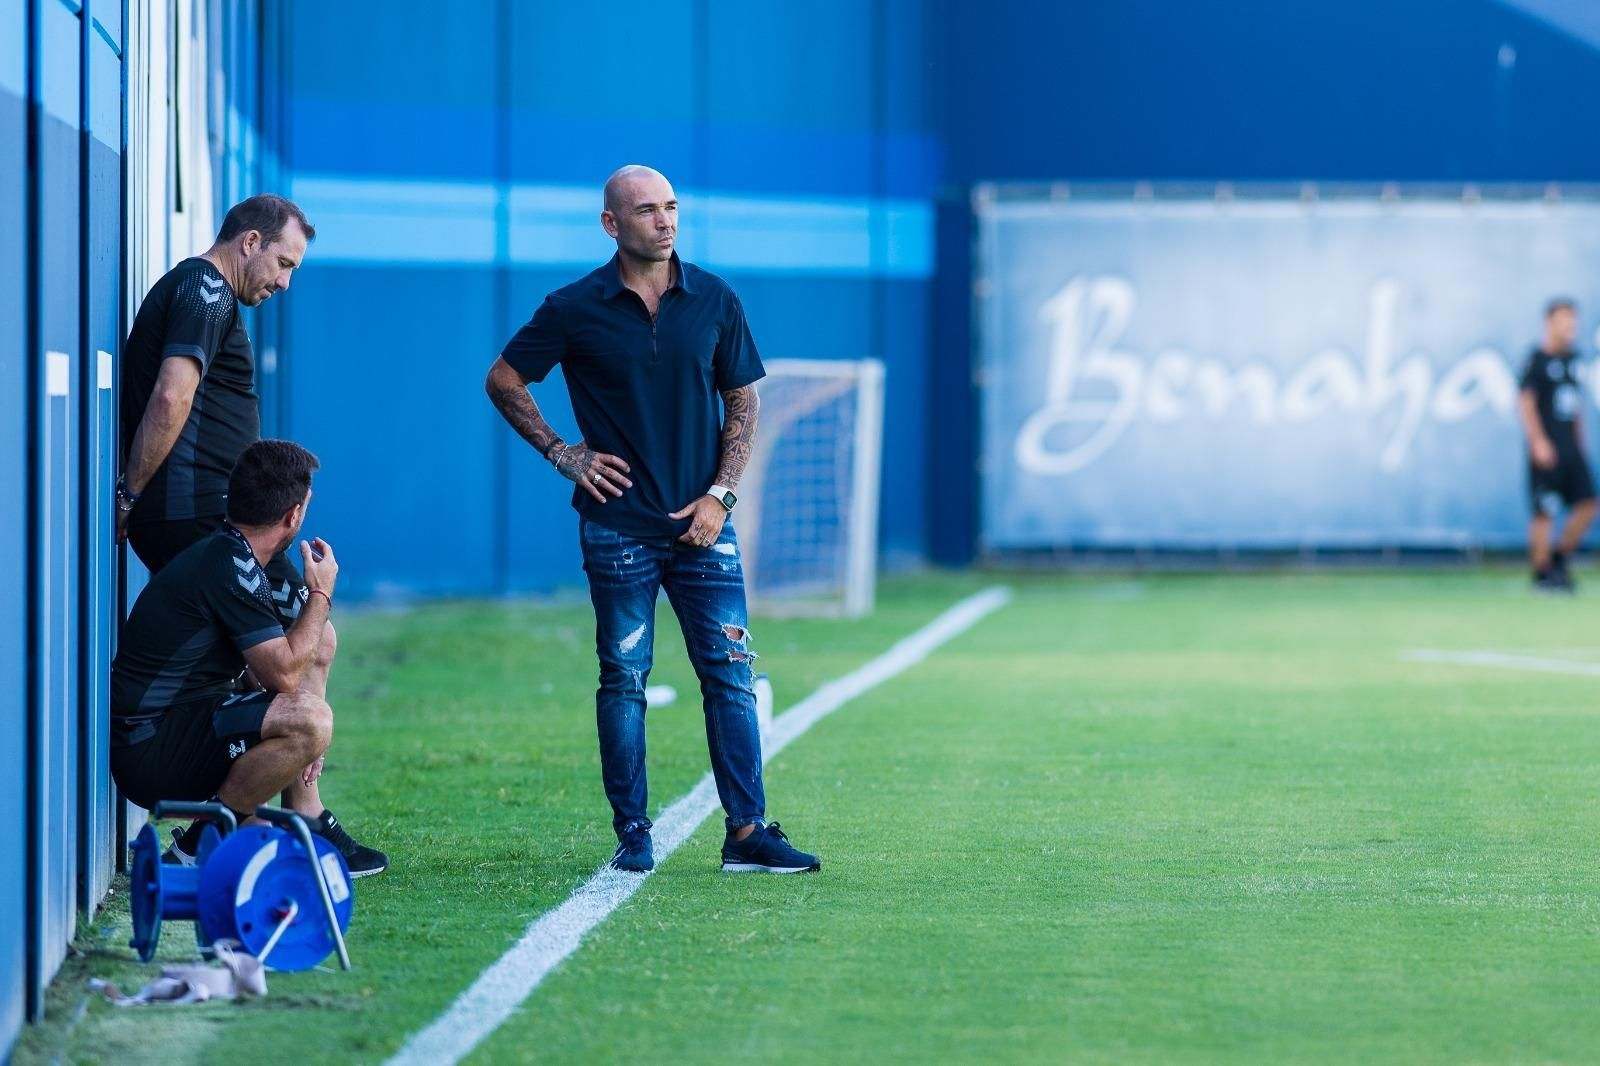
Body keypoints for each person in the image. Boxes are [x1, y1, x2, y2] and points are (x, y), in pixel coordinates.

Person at [485, 165, 820, 875]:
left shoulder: (715, 299)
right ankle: (633, 833)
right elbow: (504, 379)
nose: (665, 221)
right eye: (646, 211)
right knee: (625, 678)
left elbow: (744, 401)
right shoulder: (574, 307)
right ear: (612, 224)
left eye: (671, 208)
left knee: (731, 673)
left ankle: (748, 833)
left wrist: (721, 496)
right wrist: (563, 454)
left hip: (705, 528)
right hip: (617, 529)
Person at [110, 440, 388, 876]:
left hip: (182, 722)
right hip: (151, 748)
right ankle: (202, 845)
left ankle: (294, 817)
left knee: (312, 668)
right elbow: (284, 672)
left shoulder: (236, 553)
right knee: (310, 722)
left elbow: (290, 664)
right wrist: (321, 592)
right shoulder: (230, 566)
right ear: (293, 515)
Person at [118, 194, 315, 625]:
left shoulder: (209, 293)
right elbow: (171, 396)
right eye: (284, 264)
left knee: (253, 653)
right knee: (307, 631)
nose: (284, 283)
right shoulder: (207, 291)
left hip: (209, 516)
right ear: (250, 242)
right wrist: (129, 495)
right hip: (199, 515)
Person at [1518, 298, 1597, 592]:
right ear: (1549, 323)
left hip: (1571, 450)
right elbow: (1525, 403)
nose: (1571, 327)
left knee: (1588, 506)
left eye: (1573, 321)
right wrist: (1538, 441)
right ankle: (1542, 573)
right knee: (1545, 511)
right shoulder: (1536, 360)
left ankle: (1559, 559)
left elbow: (1576, 408)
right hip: (1546, 450)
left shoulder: (1574, 361)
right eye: (1565, 320)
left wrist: (1580, 444)